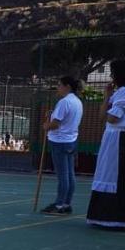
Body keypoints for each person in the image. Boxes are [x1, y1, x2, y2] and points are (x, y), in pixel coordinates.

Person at [87, 58, 125, 231]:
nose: (111, 76)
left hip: (121, 139)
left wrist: (111, 104)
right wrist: (107, 97)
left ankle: (119, 218)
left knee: (117, 176)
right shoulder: (120, 92)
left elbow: (112, 117)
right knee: (107, 173)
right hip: (112, 137)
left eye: (113, 72)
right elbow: (102, 116)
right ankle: (103, 216)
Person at [41, 76, 84, 215]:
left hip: (59, 141)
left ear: (68, 86)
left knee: (63, 175)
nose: (58, 88)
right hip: (71, 140)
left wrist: (46, 125)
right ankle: (66, 203)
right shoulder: (77, 101)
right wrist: (52, 114)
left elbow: (55, 124)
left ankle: (59, 205)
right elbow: (63, 118)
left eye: (59, 85)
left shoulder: (64, 102)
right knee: (70, 174)